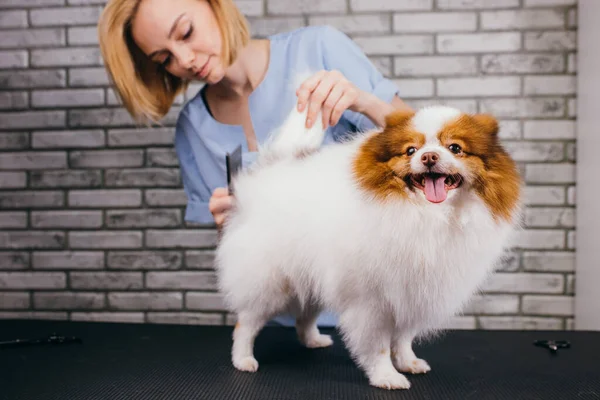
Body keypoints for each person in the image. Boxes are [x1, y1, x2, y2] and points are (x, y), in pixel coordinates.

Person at [98, 0, 413, 326]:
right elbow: (236, 251)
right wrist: (228, 228)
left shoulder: (320, 48)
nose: (185, 60)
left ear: (215, 5)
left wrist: (365, 102)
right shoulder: (194, 127)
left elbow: (424, 148)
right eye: (165, 59)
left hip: (371, 312)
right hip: (280, 326)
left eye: (186, 32)